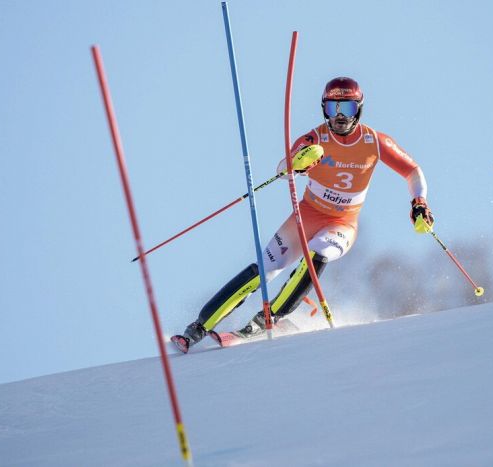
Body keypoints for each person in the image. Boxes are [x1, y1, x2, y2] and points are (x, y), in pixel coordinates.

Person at [172, 76, 434, 352]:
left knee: (319, 254)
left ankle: (268, 319)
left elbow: (412, 170)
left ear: (360, 109)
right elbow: (283, 168)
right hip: (306, 216)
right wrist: (297, 165)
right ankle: (198, 328)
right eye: (334, 109)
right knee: (265, 270)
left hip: (342, 224)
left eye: (348, 108)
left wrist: (419, 202)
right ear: (324, 109)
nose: (341, 117)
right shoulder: (314, 139)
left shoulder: (374, 141)